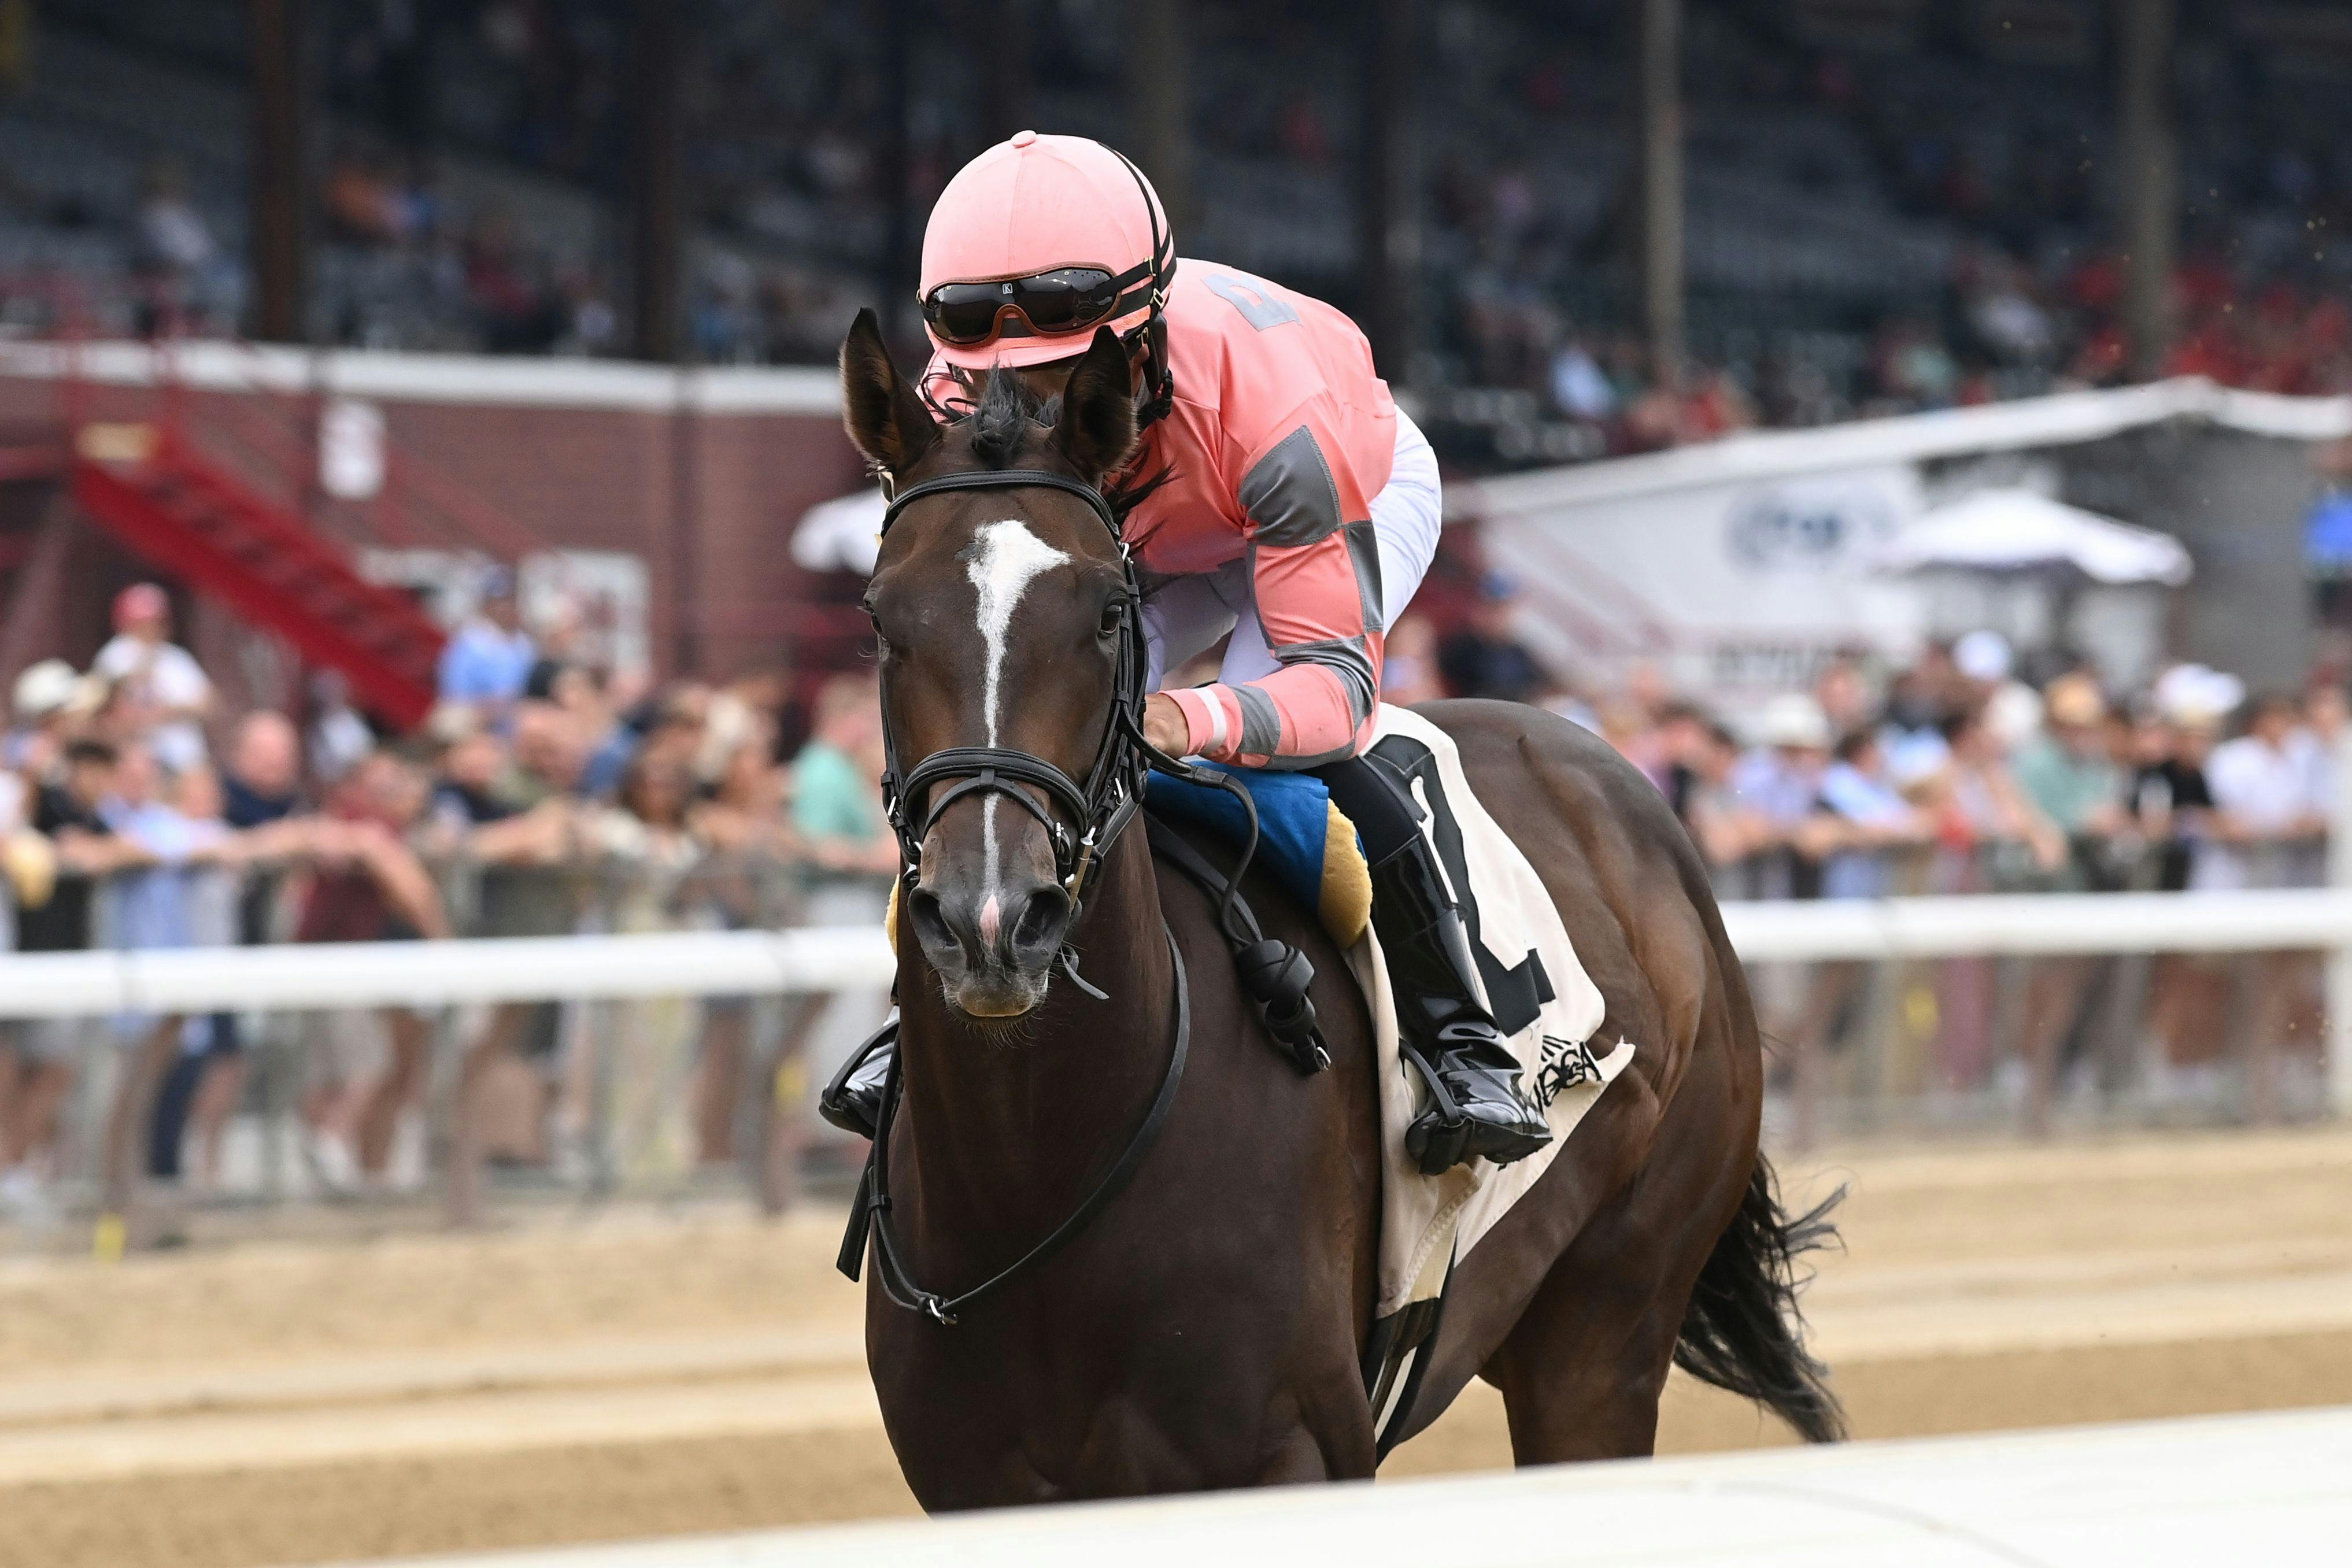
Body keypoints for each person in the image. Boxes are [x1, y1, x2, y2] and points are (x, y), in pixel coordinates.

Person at [834, 132, 1547, 1173]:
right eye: (1011, 381)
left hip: (1310, 494)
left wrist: (1189, 715)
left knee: (1303, 754)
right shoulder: (956, 387)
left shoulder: (1284, 425)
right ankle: (920, 1010)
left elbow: (1332, 695)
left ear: (1138, 339)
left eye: (1063, 378)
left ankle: (1463, 1038)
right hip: (1135, 524)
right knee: (1018, 733)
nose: (1030, 400)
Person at [92, 583, 213, 774]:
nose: (152, 628)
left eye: (157, 622)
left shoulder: (175, 657)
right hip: (139, 759)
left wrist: (171, 711)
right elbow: (108, 710)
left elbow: (208, 703)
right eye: (144, 622)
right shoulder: (115, 656)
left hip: (184, 760)